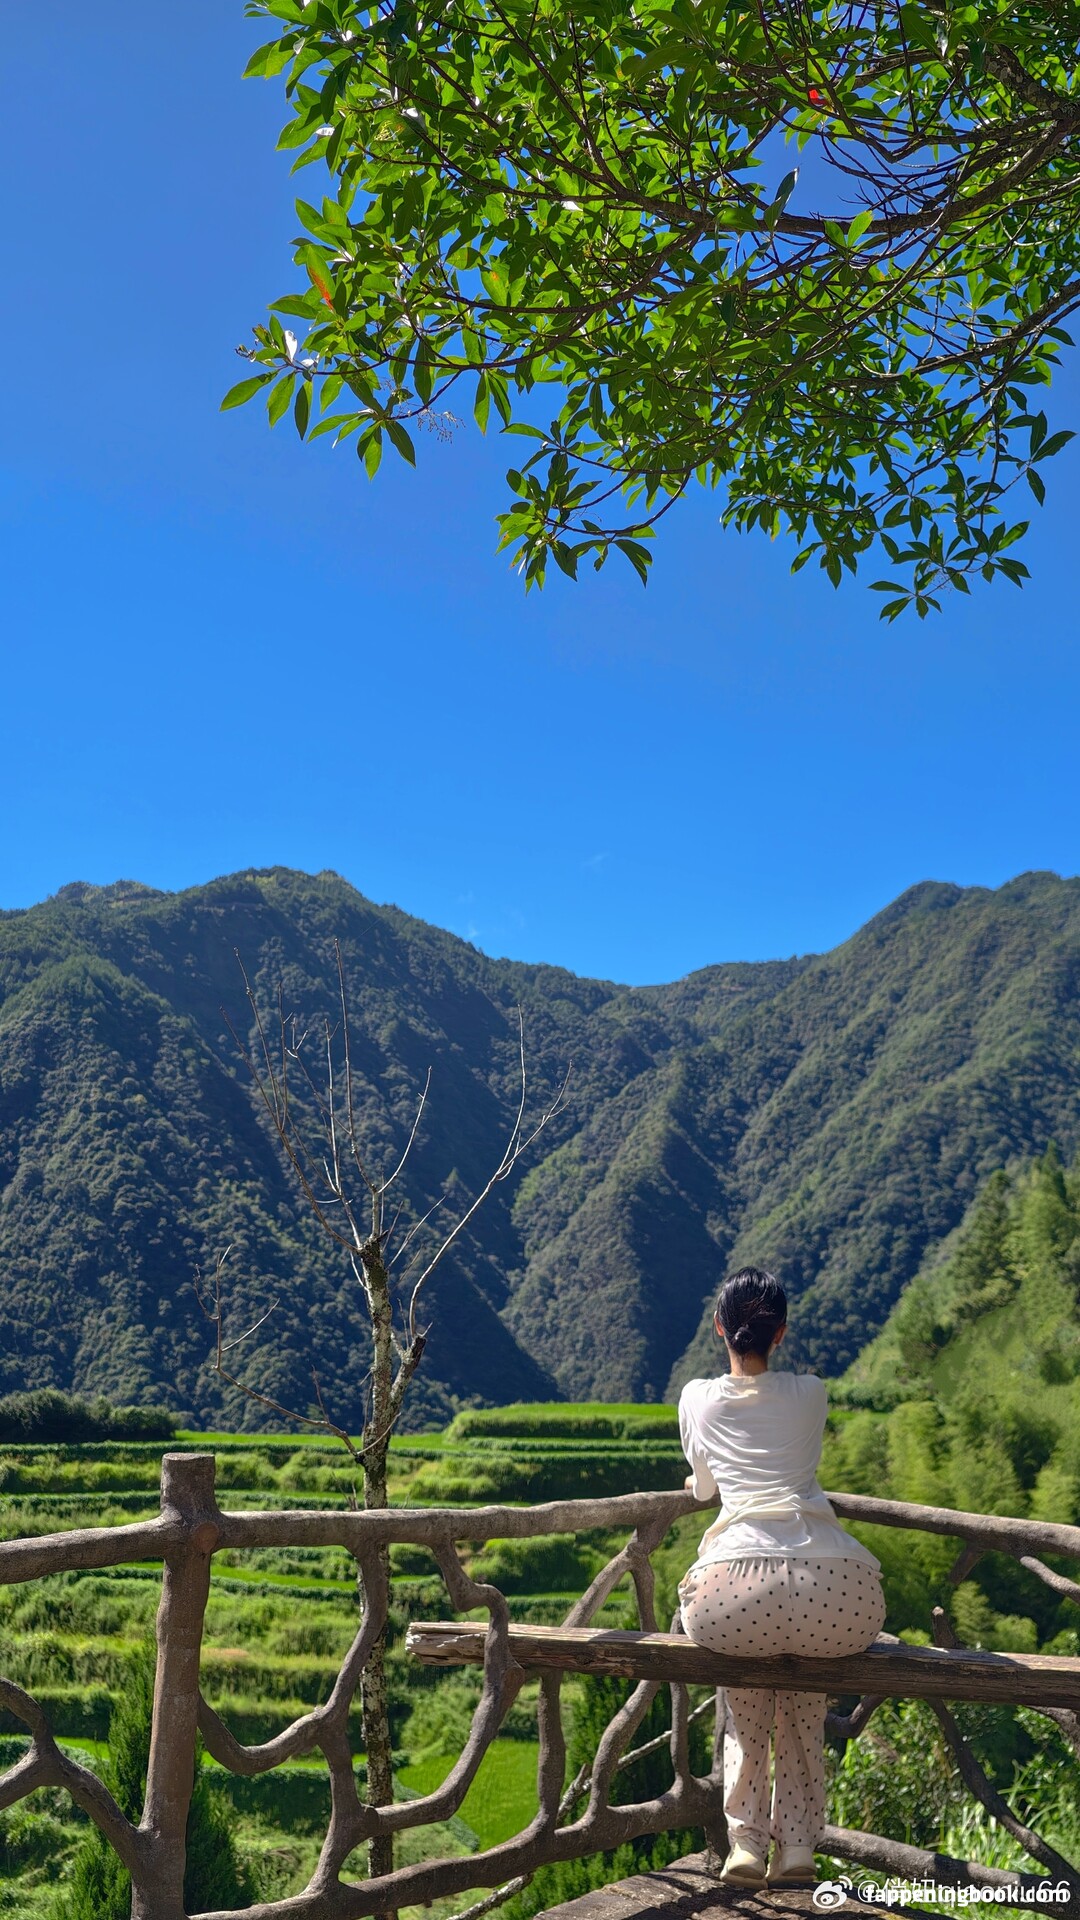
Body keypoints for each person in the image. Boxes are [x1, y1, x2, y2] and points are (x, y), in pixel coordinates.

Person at [677, 1267, 886, 1890]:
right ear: (781, 1333)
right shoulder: (812, 1393)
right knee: (802, 1690)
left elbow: (705, 1488)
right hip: (835, 1591)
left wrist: (699, 1483)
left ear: (719, 1329)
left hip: (734, 1594)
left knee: (748, 1687)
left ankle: (745, 1844)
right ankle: (796, 1846)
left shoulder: (697, 1398)